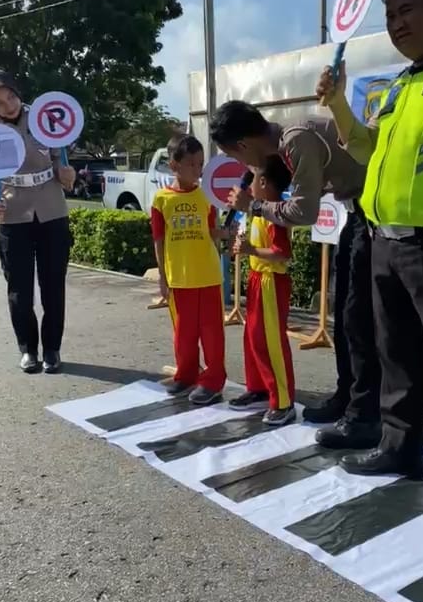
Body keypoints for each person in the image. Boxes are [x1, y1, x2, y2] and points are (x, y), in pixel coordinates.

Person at [316, 0, 423, 523]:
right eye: (390, 15)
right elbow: (368, 150)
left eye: (408, 10)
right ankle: (400, 448)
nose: (396, 23)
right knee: (399, 357)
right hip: (387, 241)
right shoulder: (400, 84)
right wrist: (339, 103)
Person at [210, 101, 382, 450]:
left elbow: (303, 212)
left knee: (358, 319)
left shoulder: (295, 139)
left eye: (236, 157)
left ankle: (365, 416)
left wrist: (254, 206)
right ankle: (347, 398)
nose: (244, 167)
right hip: (358, 214)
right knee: (348, 319)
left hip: (375, 215)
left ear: (243, 145)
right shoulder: (285, 143)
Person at [0, 68, 76, 374]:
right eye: (1, 102)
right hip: (12, 213)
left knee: (52, 285)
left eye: (11, 95)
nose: (9, 105)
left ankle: (53, 349)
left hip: (51, 210)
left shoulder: (45, 117)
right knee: (19, 289)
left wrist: (66, 173)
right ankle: (28, 349)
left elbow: (61, 158)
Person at [151, 134, 232, 407]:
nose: (198, 171)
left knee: (212, 333)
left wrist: (226, 233)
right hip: (179, 279)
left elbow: (211, 231)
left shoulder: (207, 196)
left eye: (201, 164)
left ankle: (212, 381)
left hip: (208, 276)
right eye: (192, 165)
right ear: (174, 166)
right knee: (183, 333)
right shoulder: (161, 200)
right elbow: (159, 240)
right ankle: (186, 374)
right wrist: (163, 277)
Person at [229, 156, 296, 426]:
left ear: (265, 183)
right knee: (253, 336)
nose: (249, 184)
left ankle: (283, 401)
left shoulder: (275, 213)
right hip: (258, 278)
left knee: (271, 341)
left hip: (271, 281)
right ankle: (258, 387)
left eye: (253, 178)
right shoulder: (257, 211)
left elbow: (282, 253)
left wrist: (251, 250)